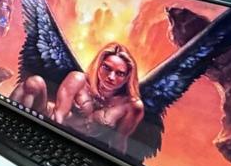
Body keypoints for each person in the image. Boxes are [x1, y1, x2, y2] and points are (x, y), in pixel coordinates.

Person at [11, 42, 145, 153]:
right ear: (99, 65)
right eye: (106, 68)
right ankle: (9, 132)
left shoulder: (131, 106)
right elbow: (58, 116)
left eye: (120, 73)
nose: (111, 77)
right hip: (49, 125)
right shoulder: (78, 80)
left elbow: (118, 142)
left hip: (82, 149)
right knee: (34, 83)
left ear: (127, 77)